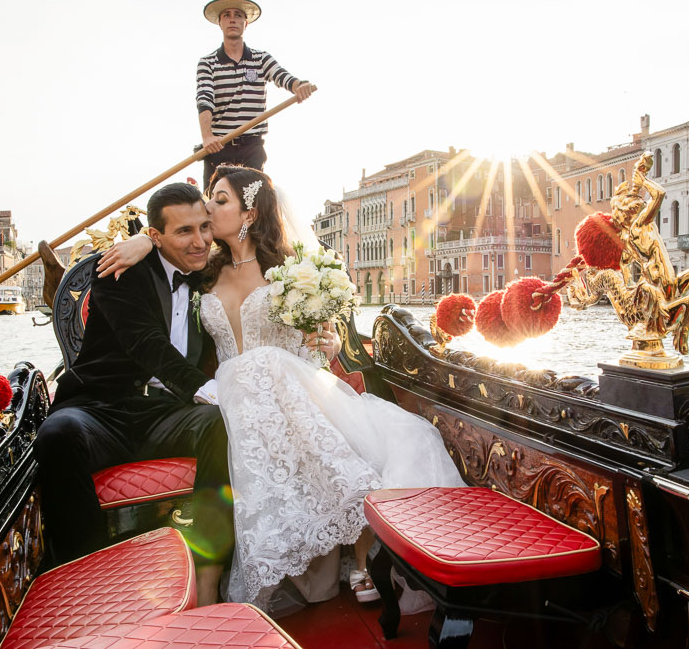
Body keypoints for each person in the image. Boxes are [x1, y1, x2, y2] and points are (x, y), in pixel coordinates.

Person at [99, 166, 465, 610]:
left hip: (290, 391)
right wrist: (144, 238)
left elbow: (322, 337)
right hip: (227, 399)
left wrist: (327, 339)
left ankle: (362, 551)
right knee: (250, 374)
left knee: (269, 367)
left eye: (218, 200)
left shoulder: (292, 272)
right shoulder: (202, 271)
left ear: (249, 212)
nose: (208, 210)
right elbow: (167, 263)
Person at [34, 182, 232, 607]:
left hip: (166, 413)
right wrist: (212, 390)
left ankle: (208, 571)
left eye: (204, 227)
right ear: (156, 237)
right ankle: (83, 580)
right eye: (183, 232)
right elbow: (148, 346)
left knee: (220, 425)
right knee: (57, 435)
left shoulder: (211, 274)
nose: (199, 242)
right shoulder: (120, 271)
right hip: (103, 408)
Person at [197, 0, 314, 189]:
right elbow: (204, 98)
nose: (232, 19)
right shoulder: (207, 63)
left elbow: (282, 76)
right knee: (214, 205)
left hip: (252, 147)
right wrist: (207, 137)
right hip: (219, 147)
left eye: (238, 15)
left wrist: (299, 86)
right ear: (220, 23)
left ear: (246, 23)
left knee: (255, 203)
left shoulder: (260, 59)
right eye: (226, 15)